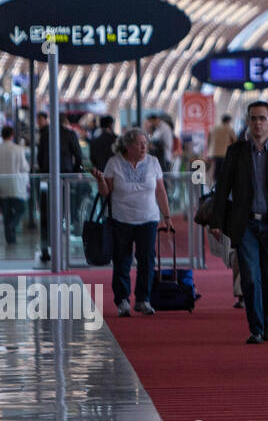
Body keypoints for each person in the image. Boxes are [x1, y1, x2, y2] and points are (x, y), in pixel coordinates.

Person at [208, 101, 268, 343]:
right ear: (248, 121)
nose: (257, 123)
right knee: (251, 279)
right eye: (253, 118)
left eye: (262, 118)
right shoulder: (236, 151)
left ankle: (266, 320)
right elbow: (222, 189)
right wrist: (216, 222)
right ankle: (257, 329)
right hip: (246, 224)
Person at [91, 128, 171, 317]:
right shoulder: (115, 163)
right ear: (127, 146)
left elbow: (160, 191)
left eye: (145, 143)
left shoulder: (153, 162)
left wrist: (167, 216)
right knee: (122, 260)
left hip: (148, 218)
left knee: (147, 260)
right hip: (121, 219)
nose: (144, 147)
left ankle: (143, 299)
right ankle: (122, 300)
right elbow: (106, 192)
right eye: (139, 143)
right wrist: (100, 180)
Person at [37, 111, 85, 263]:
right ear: (65, 123)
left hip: (47, 178)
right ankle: (62, 250)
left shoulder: (45, 134)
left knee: (46, 215)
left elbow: (39, 156)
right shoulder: (70, 134)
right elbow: (79, 156)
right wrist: (77, 173)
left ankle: (46, 250)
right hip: (65, 179)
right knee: (64, 213)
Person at [0, 126, 29, 245]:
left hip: (1, 186)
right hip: (16, 185)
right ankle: (12, 226)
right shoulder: (18, 149)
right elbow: (24, 167)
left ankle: (10, 239)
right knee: (21, 208)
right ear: (12, 135)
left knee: (6, 212)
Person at [209, 114, 238, 180]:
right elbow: (235, 140)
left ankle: (215, 184)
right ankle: (222, 185)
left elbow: (209, 140)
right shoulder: (229, 128)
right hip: (225, 152)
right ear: (228, 121)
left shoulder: (214, 128)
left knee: (216, 169)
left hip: (214, 153)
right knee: (224, 170)